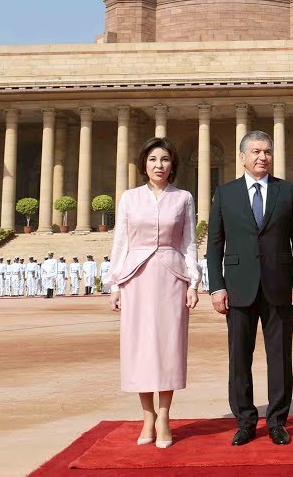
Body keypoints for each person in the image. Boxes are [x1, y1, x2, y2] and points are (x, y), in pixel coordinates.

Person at [207, 130, 293, 447]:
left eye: (266, 151)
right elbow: (214, 244)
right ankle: (245, 420)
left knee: (279, 357)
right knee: (239, 358)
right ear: (242, 157)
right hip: (238, 287)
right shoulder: (225, 194)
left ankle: (278, 420)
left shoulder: (288, 191)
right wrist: (216, 286)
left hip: (279, 284)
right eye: (255, 151)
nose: (262, 156)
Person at [111, 137, 200, 449]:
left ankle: (163, 416)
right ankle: (146, 415)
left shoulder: (183, 198)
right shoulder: (129, 198)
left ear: (173, 164)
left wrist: (193, 281)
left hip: (171, 275)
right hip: (136, 276)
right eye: (152, 160)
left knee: (168, 347)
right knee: (139, 348)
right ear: (143, 165)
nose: (159, 165)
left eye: (164, 159)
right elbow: (120, 243)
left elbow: (189, 243)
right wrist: (115, 284)